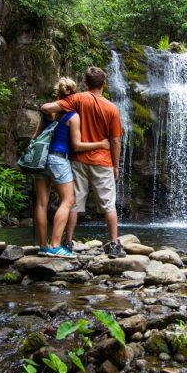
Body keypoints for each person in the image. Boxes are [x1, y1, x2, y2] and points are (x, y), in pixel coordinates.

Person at [41, 67, 126, 259]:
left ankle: (68, 241)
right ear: (103, 85)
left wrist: (45, 111)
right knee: (108, 205)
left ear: (85, 84)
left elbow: (50, 108)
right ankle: (114, 244)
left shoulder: (77, 99)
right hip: (103, 161)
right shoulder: (112, 108)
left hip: (78, 160)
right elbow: (115, 140)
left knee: (74, 203)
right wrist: (115, 165)